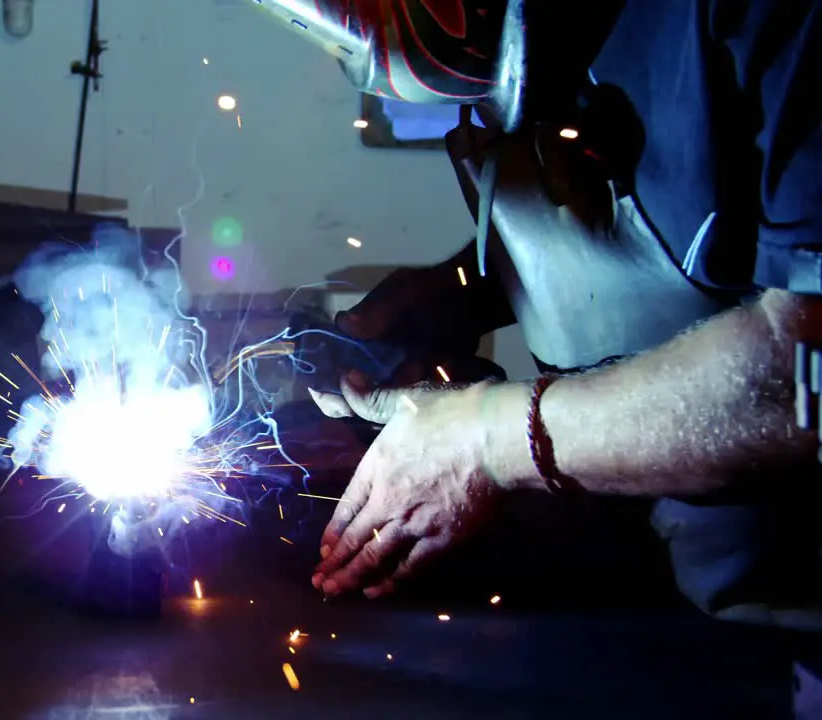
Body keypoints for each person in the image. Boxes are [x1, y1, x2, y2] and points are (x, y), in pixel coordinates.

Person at [248, 0, 822, 713]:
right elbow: (694, 221)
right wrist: (465, 293)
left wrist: (486, 438)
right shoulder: (528, 46)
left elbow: (806, 374)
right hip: (667, 598)